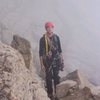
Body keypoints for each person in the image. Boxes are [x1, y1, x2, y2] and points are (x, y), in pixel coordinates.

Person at [39, 21, 64, 100]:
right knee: (49, 78)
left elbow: (60, 50)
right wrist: (42, 64)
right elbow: (40, 53)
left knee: (56, 77)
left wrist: (62, 60)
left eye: (51, 27)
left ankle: (57, 93)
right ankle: (50, 94)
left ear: (53, 28)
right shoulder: (42, 39)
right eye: (48, 27)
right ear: (46, 29)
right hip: (47, 61)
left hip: (56, 60)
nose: (50, 29)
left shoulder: (56, 37)